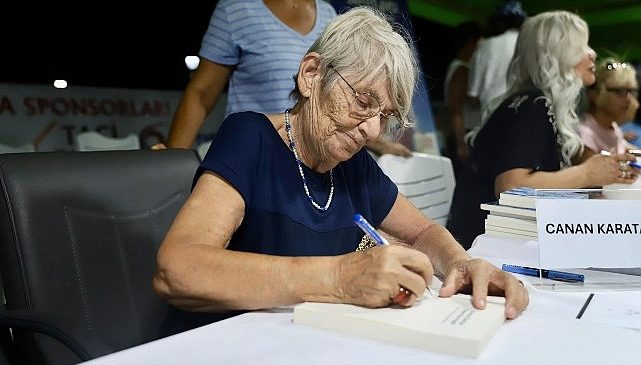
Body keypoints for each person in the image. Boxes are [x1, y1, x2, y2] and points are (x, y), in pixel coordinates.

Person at [153, 7, 528, 337]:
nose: (371, 131)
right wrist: (340, 278)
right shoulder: (249, 137)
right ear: (312, 74)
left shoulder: (352, 163)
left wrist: (461, 264)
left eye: (384, 117)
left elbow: (423, 232)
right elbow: (179, 269)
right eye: (363, 102)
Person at [447, 11, 639, 248]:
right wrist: (587, 175)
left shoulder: (530, 101)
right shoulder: (534, 104)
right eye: (582, 46)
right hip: (485, 248)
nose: (592, 54)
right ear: (559, 55)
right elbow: (511, 186)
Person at [163, 0, 410, 157]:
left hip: (310, 162)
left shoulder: (328, 15)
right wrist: (171, 161)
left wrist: (375, 140)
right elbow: (202, 94)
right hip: (253, 155)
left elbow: (342, 99)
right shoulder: (236, 9)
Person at [467, 1, 527, 121]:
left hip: (491, 119)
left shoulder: (484, 47)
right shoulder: (529, 44)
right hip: (524, 117)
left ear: (496, 22)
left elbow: (473, 95)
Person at [578, 57, 640, 154]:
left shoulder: (612, 126)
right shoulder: (585, 134)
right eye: (620, 91)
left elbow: (625, 147)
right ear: (595, 94)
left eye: (631, 91)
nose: (629, 99)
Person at [443, 21, 482, 166]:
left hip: (463, 134)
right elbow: (455, 108)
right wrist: (461, 144)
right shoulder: (461, 69)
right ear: (471, 43)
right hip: (462, 135)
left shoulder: (462, 68)